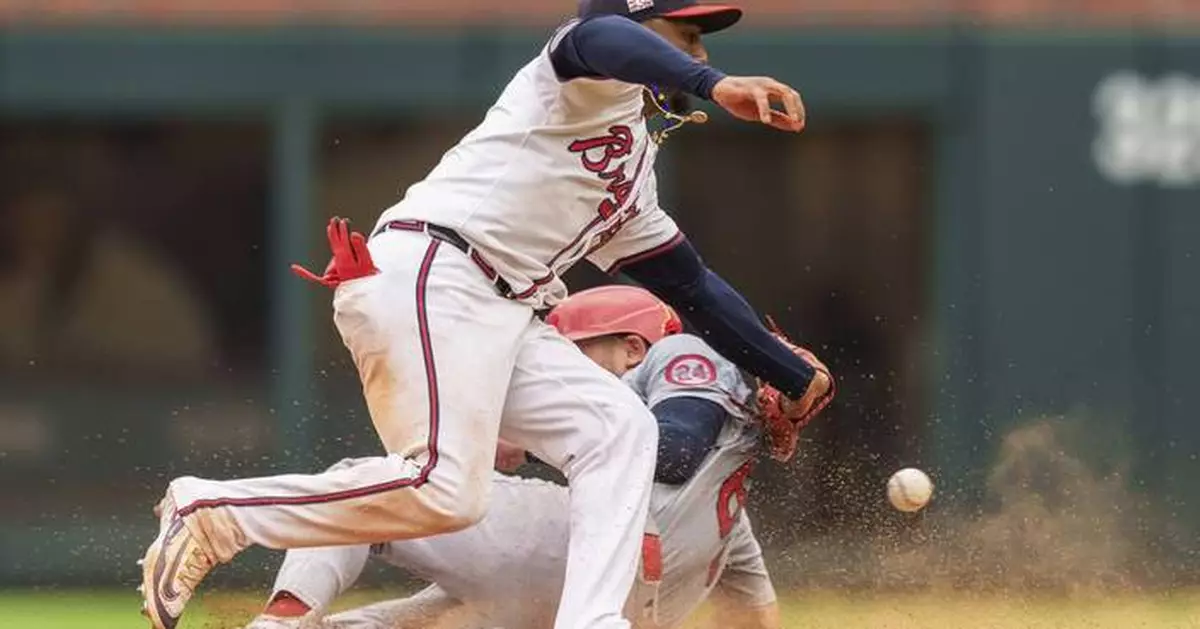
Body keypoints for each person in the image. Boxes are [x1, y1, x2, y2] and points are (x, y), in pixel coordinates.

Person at [139, 2, 833, 628]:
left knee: (617, 427)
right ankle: (214, 512)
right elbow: (598, 35)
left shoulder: (632, 180)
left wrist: (786, 372)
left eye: (702, 46)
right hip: (435, 271)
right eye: (687, 35)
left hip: (499, 308)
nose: (701, 55)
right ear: (643, 30)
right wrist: (716, 86)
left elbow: (693, 288)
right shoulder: (577, 79)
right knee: (443, 488)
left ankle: (591, 620)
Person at [244, 286, 798, 629]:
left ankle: (282, 618)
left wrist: (534, 443)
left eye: (574, 354)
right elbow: (752, 617)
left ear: (634, 346)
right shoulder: (728, 516)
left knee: (360, 486)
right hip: (571, 601)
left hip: (580, 556)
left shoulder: (680, 350)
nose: (557, 375)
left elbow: (674, 450)